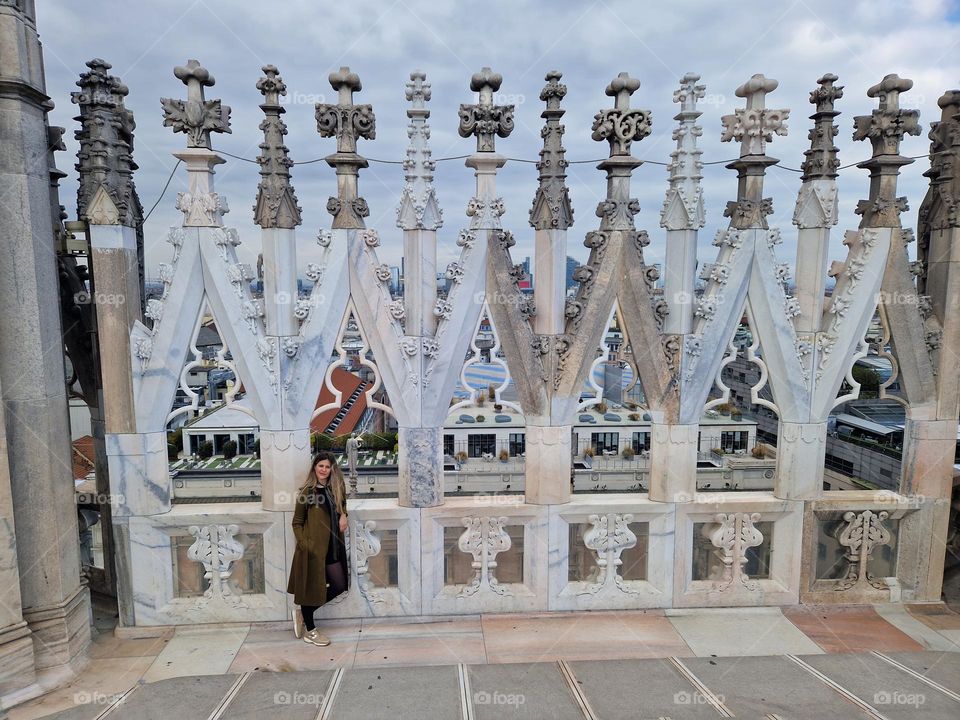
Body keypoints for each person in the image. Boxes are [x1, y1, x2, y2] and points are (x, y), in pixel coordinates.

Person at [287, 451, 350, 646]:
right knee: (311, 589)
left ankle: (303, 613)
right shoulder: (307, 492)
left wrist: (344, 515)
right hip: (313, 551)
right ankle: (311, 631)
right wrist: (305, 544)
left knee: (339, 585)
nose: (323, 469)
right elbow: (297, 522)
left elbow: (342, 506)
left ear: (332, 469)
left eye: (327, 466)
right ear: (314, 467)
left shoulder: (335, 489)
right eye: (320, 465)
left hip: (333, 547)